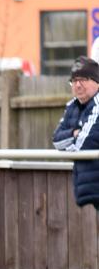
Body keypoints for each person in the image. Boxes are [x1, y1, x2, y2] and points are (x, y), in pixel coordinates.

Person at [52, 56, 99, 210]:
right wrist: (75, 133)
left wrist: (74, 141)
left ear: (96, 81)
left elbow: (82, 145)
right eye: (74, 80)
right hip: (91, 188)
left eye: (83, 79)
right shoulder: (73, 106)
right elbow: (56, 140)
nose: (77, 85)